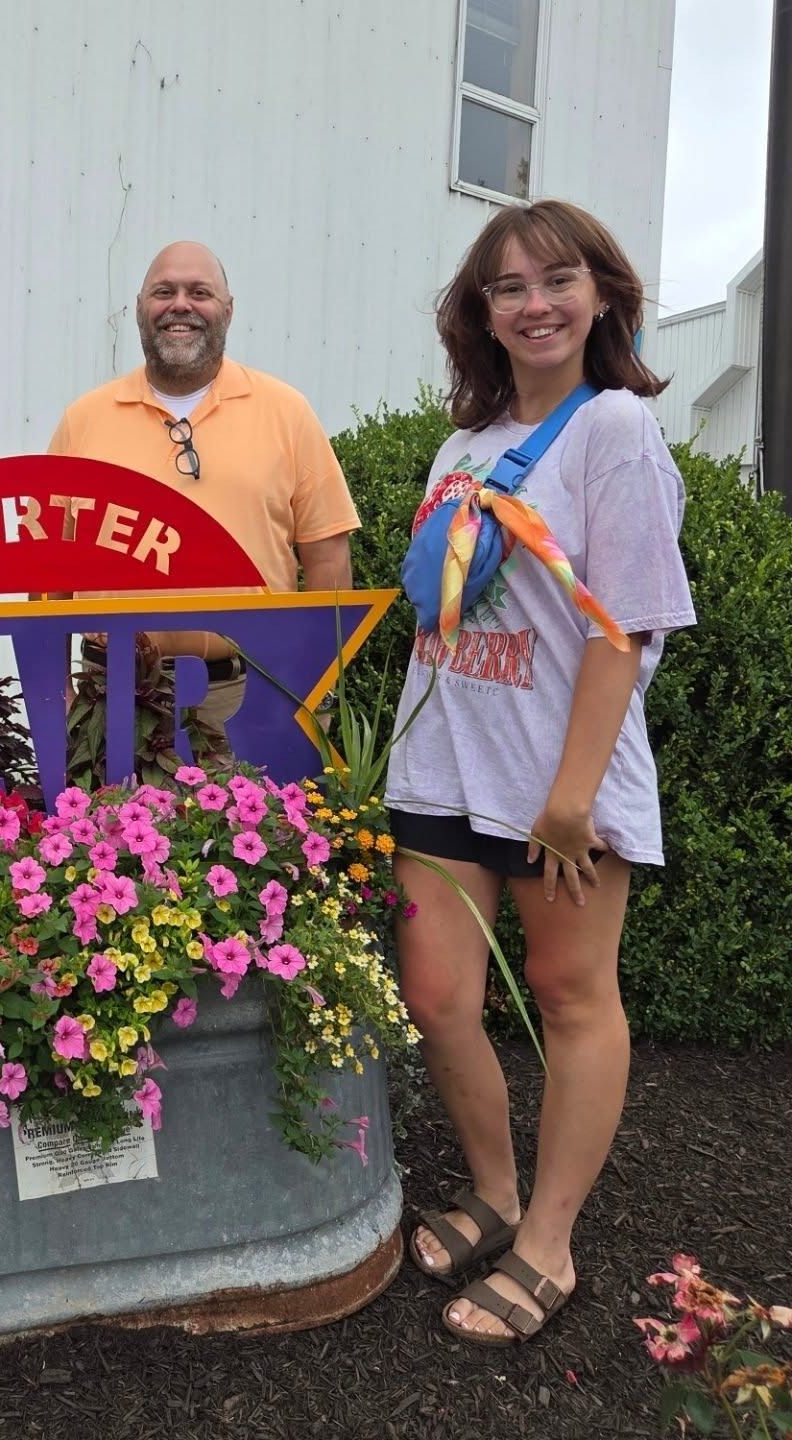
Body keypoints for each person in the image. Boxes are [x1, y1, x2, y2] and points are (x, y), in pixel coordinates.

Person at [384, 200, 696, 1345]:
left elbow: (627, 629)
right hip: (443, 768)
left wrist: (572, 797)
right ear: (481, 314)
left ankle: (549, 1245)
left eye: (557, 280)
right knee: (439, 998)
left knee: (571, 1000)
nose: (534, 304)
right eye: (508, 287)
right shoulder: (459, 448)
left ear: (603, 294)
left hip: (556, 784)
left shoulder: (615, 430)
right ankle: (495, 1190)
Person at [47, 241, 360, 734]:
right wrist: (55, 691)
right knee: (104, 816)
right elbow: (49, 568)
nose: (180, 305)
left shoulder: (286, 413)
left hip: (247, 696)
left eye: (200, 292)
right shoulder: (83, 420)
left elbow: (329, 562)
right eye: (163, 291)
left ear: (228, 311)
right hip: (108, 698)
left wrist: (313, 689)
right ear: (138, 309)